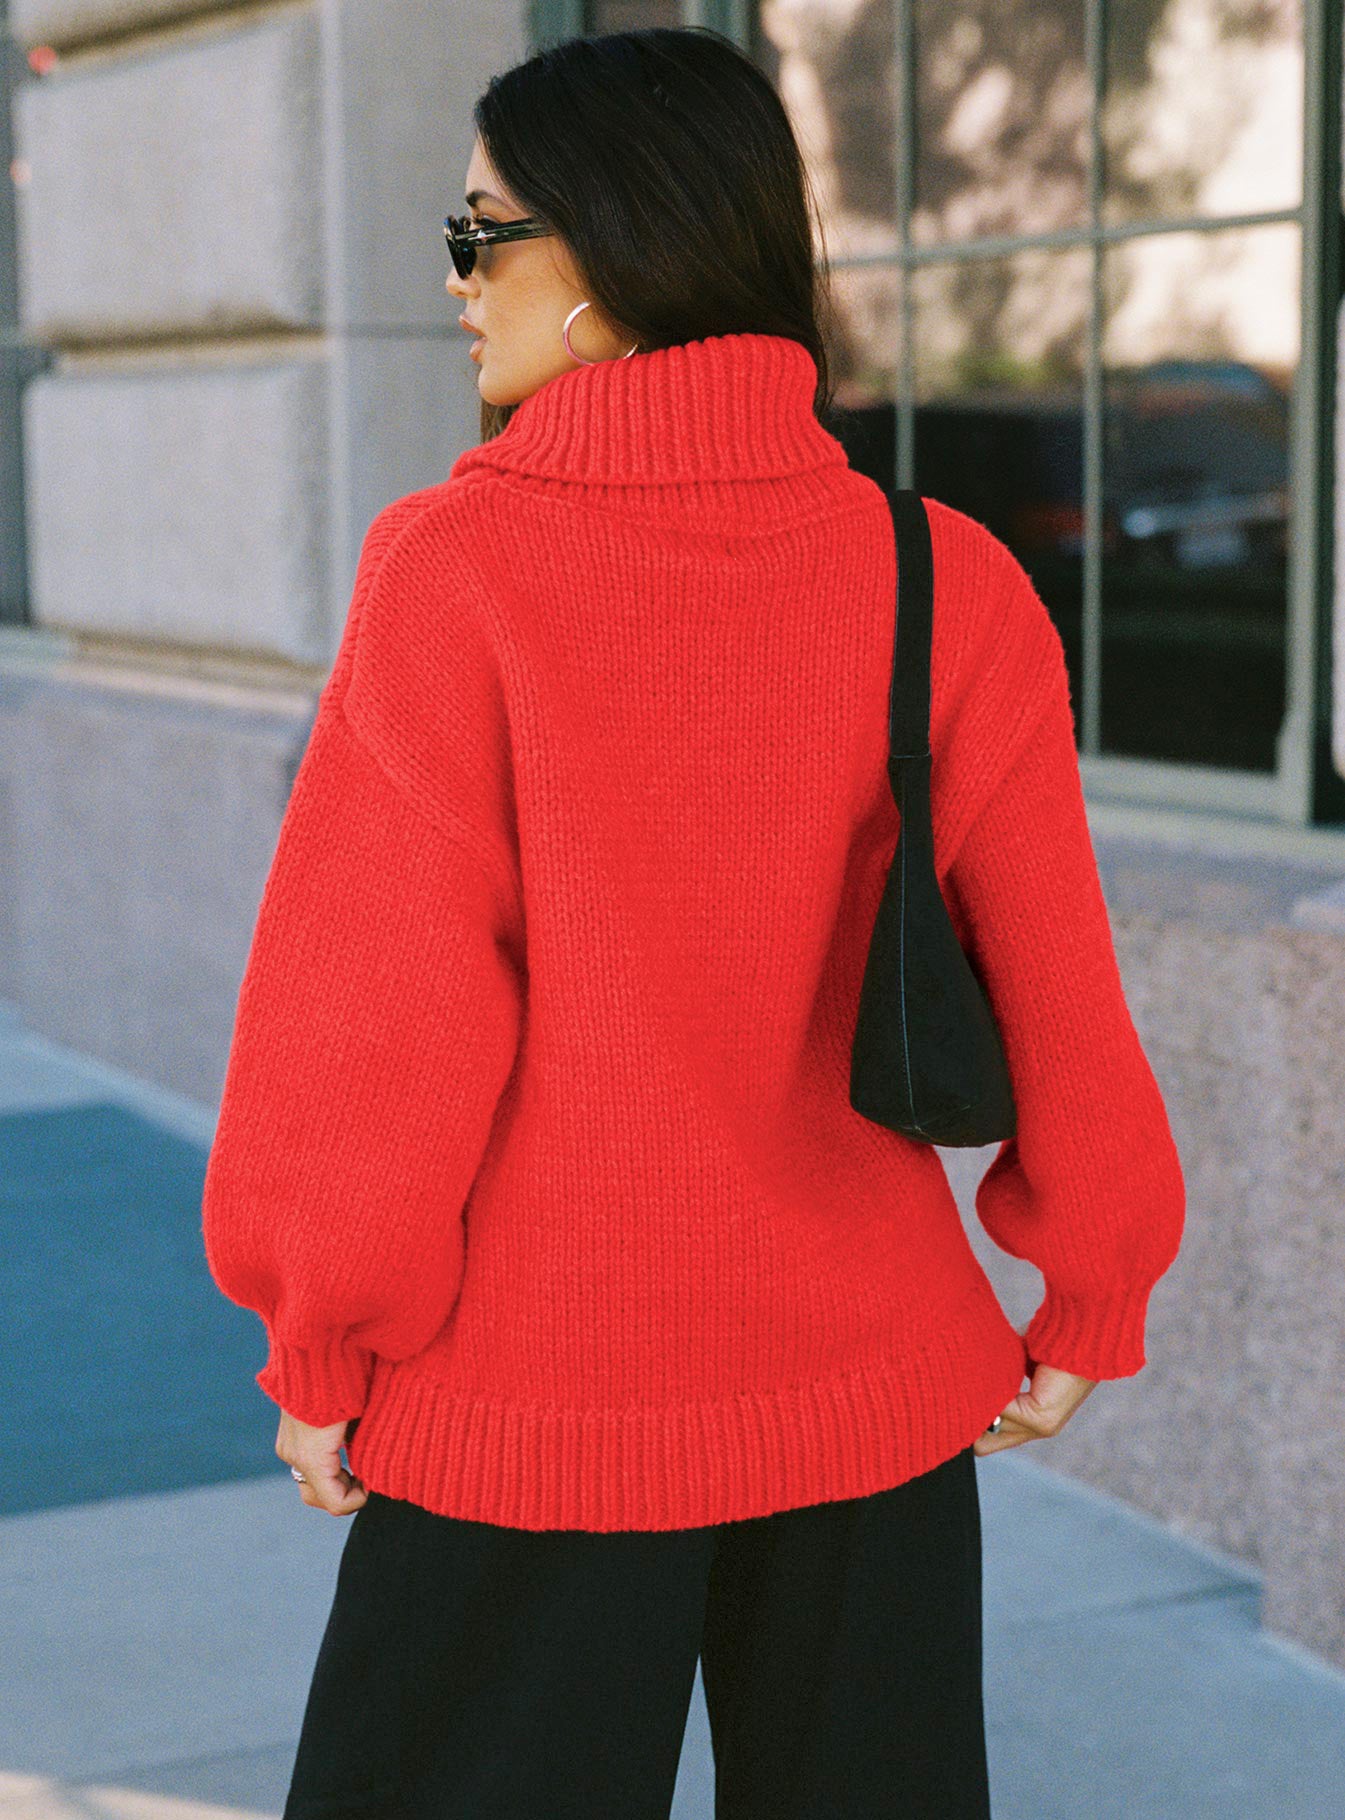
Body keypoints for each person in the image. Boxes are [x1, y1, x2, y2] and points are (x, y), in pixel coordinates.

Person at [200, 25, 1186, 1820]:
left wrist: (322, 1332)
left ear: (615, 255)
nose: (457, 280)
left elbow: (379, 1017)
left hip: (531, 1412)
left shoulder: (457, 571)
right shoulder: (935, 571)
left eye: (481, 231)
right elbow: (1057, 970)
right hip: (871, 1397)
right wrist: (1089, 1281)